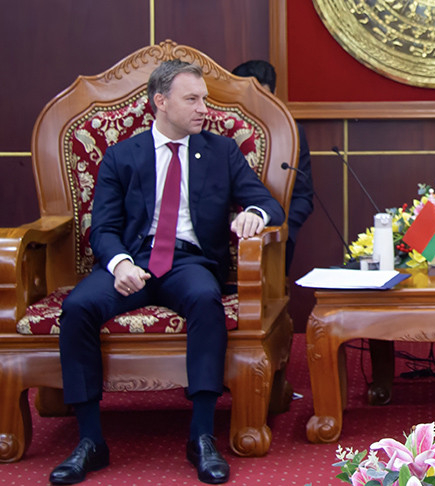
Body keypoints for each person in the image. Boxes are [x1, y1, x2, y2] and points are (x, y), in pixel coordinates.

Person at [49, 60, 284, 485]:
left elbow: (270, 204)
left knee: (204, 298)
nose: (203, 108)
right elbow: (101, 228)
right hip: (132, 260)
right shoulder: (122, 155)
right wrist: (119, 263)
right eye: (191, 99)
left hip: (188, 261)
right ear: (161, 102)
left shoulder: (221, 152)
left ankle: (201, 437)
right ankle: (90, 441)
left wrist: (252, 213)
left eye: (204, 99)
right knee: (79, 306)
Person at [231, 60, 314, 272]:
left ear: (274, 94)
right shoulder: (217, 129)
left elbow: (303, 196)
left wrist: (284, 232)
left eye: (264, 98)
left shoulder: (291, 133)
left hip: (274, 230)